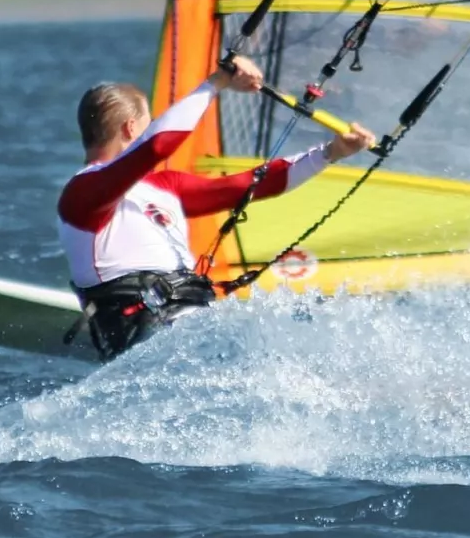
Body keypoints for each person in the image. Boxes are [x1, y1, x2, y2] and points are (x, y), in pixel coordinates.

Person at [58, 55, 375, 360]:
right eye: (148, 122)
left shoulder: (163, 187)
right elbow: (157, 145)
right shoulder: (82, 195)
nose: (152, 129)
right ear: (130, 128)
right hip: (145, 340)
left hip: (197, 329)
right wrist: (216, 82)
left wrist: (330, 152)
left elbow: (252, 185)